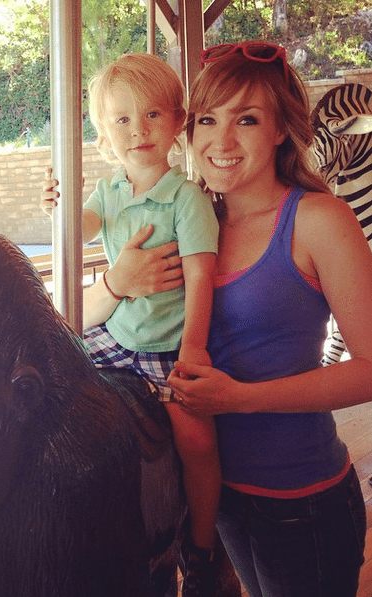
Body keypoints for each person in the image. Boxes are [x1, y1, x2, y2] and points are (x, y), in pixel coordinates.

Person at [89, 42, 372, 597]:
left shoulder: (317, 219)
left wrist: (238, 399)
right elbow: (75, 321)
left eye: (246, 119)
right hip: (218, 499)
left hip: (299, 499)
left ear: (281, 128)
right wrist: (115, 281)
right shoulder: (191, 213)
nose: (220, 141)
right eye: (207, 120)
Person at [40, 52, 221, 597]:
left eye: (152, 115)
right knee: (50, 382)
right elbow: (81, 226)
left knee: (196, 439)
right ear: (104, 134)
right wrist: (60, 206)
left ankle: (202, 543)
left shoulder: (186, 199)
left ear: (177, 122)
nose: (138, 130)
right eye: (122, 119)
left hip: (165, 346)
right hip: (116, 335)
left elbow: (201, 278)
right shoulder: (110, 191)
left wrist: (193, 348)